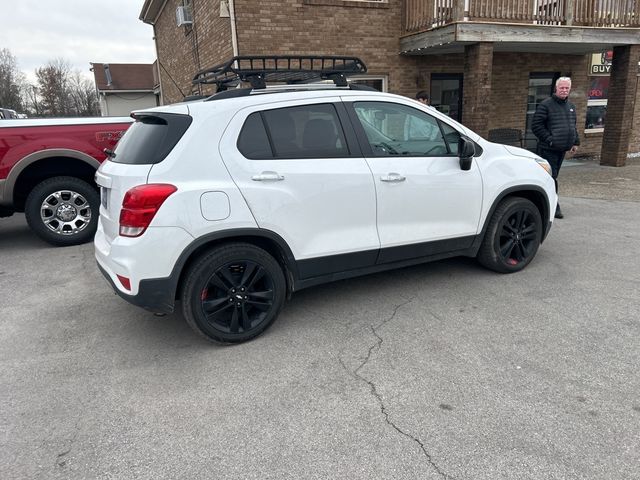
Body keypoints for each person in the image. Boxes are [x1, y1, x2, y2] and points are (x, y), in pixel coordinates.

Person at [532, 77, 580, 219]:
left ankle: (548, 204)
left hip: (561, 150)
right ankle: (553, 207)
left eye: (567, 88)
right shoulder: (546, 105)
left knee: (554, 177)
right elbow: (536, 126)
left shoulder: (571, 106)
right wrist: (550, 140)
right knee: (550, 178)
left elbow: (573, 126)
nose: (564, 90)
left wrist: (575, 142)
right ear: (556, 88)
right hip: (548, 149)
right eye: (562, 88)